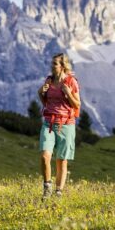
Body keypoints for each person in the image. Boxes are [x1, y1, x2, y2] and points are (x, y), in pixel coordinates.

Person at [38, 52, 81, 200]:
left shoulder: (71, 82)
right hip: (48, 122)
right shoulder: (48, 81)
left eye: (55, 63)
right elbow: (45, 102)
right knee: (45, 156)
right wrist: (40, 93)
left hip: (66, 124)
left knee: (61, 160)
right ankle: (47, 187)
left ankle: (58, 192)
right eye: (52, 63)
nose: (52, 66)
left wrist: (68, 93)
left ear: (62, 66)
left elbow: (77, 104)